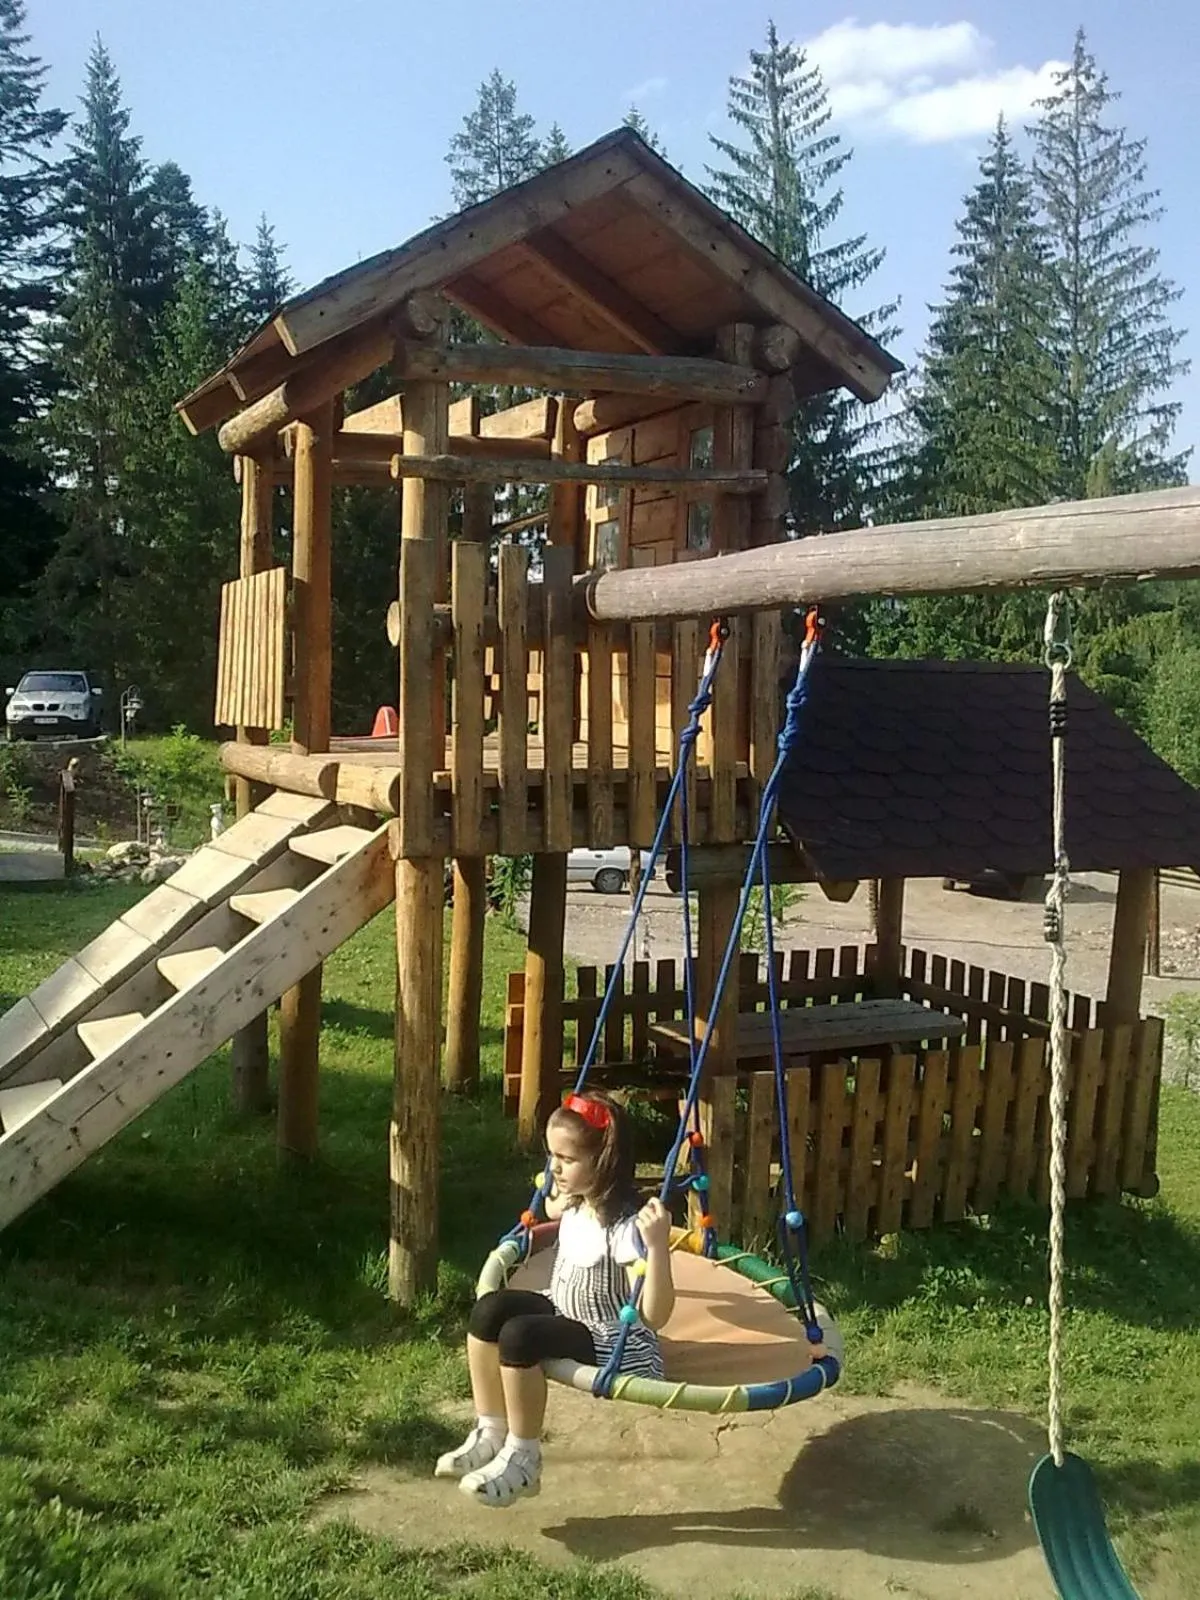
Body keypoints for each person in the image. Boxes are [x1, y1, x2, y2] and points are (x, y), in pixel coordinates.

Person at [435, 1089, 675, 1507]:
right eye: (552, 1157)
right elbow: (550, 1208)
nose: (555, 1168)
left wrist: (657, 1248)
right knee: (489, 1309)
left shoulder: (625, 1229)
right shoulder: (576, 1202)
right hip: (565, 1308)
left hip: (607, 1337)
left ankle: (524, 1456)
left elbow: (655, 1315)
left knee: (520, 1336)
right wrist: (555, 1196)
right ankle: (491, 1430)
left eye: (567, 1160)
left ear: (602, 1164)